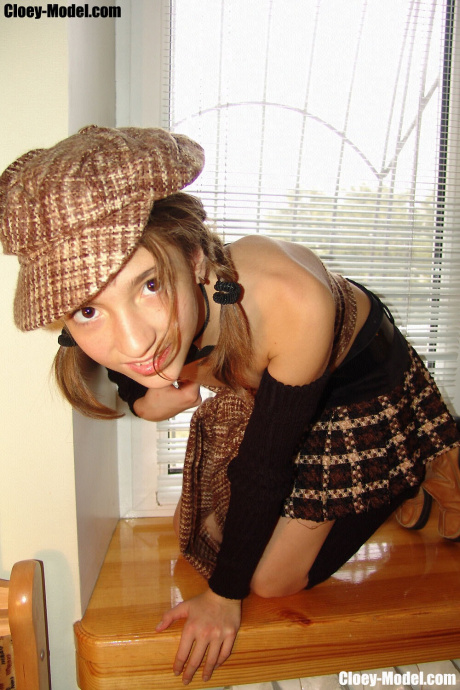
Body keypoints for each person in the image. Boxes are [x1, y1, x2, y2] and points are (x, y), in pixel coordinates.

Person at [1, 126, 459, 686]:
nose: (134, 342)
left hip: (355, 383)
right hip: (272, 388)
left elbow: (265, 469)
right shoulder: (134, 334)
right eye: (88, 310)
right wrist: (144, 399)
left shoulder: (288, 299)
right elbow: (123, 368)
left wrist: (223, 598)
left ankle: (407, 467)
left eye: (149, 286)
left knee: (269, 583)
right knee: (209, 535)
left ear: (195, 258)